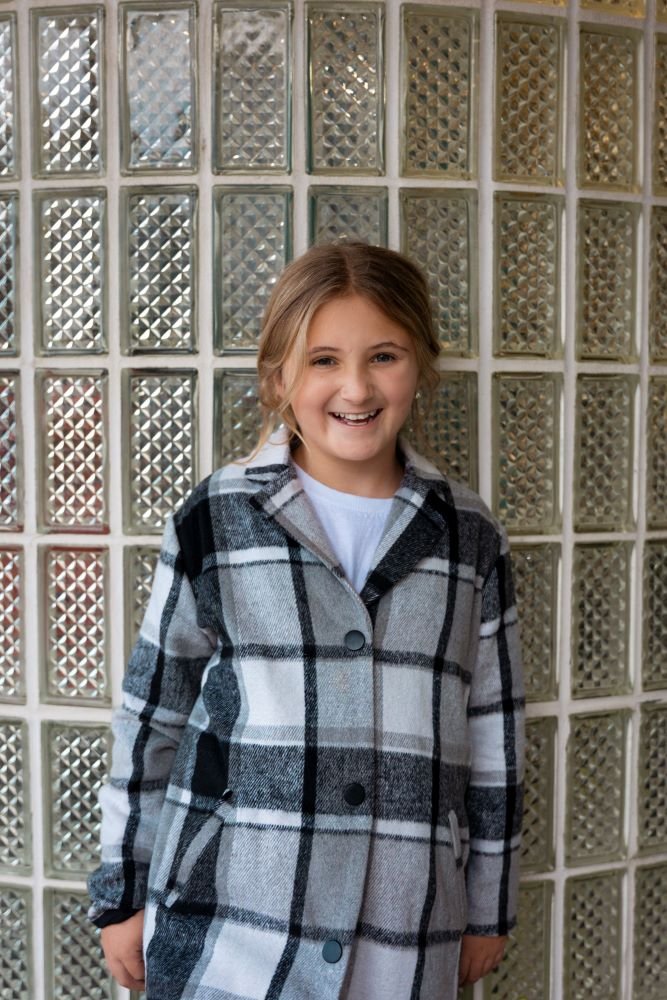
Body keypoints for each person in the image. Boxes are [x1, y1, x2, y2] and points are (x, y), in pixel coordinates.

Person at [88, 241, 525, 1000]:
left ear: (419, 366)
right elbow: (153, 714)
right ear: (277, 377)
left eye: (383, 356)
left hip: (403, 926)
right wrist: (123, 889)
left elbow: (494, 734)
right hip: (234, 926)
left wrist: (488, 903)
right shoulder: (216, 518)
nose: (355, 386)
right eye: (323, 360)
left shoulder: (468, 536)